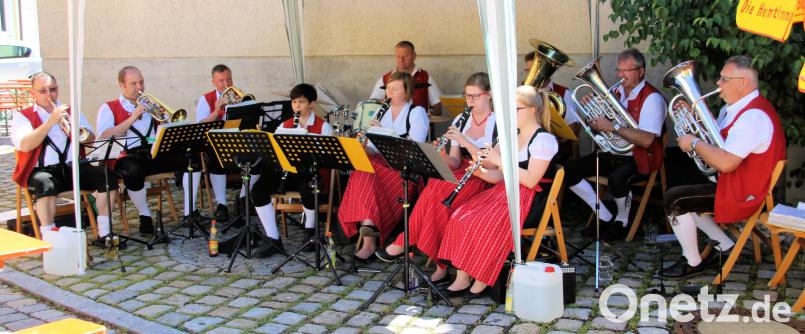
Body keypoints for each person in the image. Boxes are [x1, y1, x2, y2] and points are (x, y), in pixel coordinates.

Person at [663, 55, 786, 278]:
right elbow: (716, 142)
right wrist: (695, 121)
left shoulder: (752, 118)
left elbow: (726, 163)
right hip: (738, 184)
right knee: (683, 185)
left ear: (743, 83)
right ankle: (725, 246)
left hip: (746, 193)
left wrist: (693, 142)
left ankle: (692, 261)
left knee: (675, 198)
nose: (718, 83)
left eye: (724, 79)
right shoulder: (736, 109)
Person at [374, 72, 496, 284]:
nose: (470, 101)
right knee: (434, 186)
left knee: (440, 194)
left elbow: (493, 164)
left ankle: (411, 244)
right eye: (467, 96)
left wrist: (464, 141)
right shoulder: (461, 119)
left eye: (475, 96)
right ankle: (439, 262)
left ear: (489, 95)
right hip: (462, 171)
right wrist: (439, 154)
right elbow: (455, 162)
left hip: (484, 175)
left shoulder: (497, 123)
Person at [438, 85, 559, 298]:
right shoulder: (512, 135)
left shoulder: (544, 140)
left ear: (532, 110)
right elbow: (499, 177)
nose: (510, 115)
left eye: (516, 109)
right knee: (461, 216)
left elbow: (530, 180)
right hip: (505, 192)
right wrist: (482, 172)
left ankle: (483, 277)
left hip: (528, 199)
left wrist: (499, 160)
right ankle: (462, 276)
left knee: (480, 222)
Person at [563, 49, 667, 240]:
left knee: (617, 178)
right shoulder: (616, 92)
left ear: (641, 71)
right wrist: (593, 116)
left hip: (641, 157)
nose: (621, 75)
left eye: (627, 70)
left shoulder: (652, 98)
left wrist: (613, 127)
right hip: (613, 153)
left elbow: (647, 140)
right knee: (568, 171)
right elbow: (600, 129)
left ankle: (622, 221)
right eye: (619, 70)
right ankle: (604, 215)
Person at [222, 83, 334, 257]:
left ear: (312, 103)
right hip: (287, 172)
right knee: (258, 190)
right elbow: (274, 153)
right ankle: (273, 239)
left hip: (311, 173)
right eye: (294, 102)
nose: (297, 106)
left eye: (302, 102)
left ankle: (310, 232)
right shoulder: (284, 125)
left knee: (308, 189)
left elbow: (327, 157)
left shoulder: (323, 127)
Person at [12, 72, 119, 237]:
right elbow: (25, 145)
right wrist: (50, 122)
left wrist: (76, 129)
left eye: (53, 89)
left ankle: (105, 232)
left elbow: (89, 138)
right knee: (45, 184)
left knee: (107, 176)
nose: (49, 95)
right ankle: (49, 235)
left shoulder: (70, 111)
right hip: (44, 170)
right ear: (32, 93)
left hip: (73, 167)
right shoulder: (23, 116)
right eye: (43, 91)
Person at [339, 71, 429, 262]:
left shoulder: (417, 112)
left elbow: (415, 147)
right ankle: (369, 234)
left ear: (407, 91)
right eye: (388, 88)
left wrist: (384, 134)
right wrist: (362, 145)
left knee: (369, 172)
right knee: (362, 168)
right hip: (381, 165)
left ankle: (369, 239)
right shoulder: (383, 111)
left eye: (395, 89)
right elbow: (372, 150)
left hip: (403, 169)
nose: (390, 93)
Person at [96, 66, 184, 235]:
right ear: (122, 85)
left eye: (141, 82)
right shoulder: (109, 107)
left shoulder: (151, 104)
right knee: (133, 170)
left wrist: (167, 121)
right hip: (127, 156)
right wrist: (133, 117)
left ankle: (189, 212)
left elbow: (163, 131)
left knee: (188, 158)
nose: (140, 87)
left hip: (151, 152)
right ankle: (145, 215)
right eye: (133, 83)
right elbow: (105, 135)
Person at [184, 64, 238, 221]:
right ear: (213, 81)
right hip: (213, 143)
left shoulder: (239, 95)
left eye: (229, 79)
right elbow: (201, 125)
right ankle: (222, 205)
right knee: (216, 157)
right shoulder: (205, 99)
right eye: (221, 80)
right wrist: (216, 111)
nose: (226, 84)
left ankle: (243, 201)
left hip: (235, 140)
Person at [523, 51, 580, 164]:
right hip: (526, 147)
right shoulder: (522, 94)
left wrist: (553, 142)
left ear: (546, 71)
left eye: (534, 70)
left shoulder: (563, 93)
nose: (530, 74)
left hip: (556, 151)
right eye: (528, 71)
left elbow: (573, 129)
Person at [369, 41, 443, 114]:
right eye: (398, 56)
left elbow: (437, 107)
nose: (401, 60)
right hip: (391, 125)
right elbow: (372, 103)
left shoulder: (425, 77)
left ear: (414, 56)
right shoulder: (385, 79)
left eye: (405, 56)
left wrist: (427, 116)